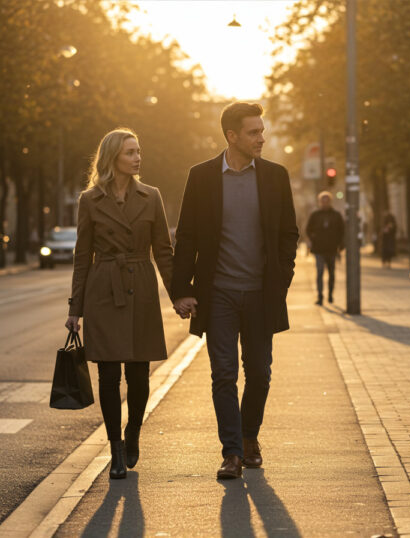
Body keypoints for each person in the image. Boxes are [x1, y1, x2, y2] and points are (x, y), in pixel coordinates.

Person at [171, 102, 299, 480]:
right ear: (232, 136)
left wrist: (282, 280)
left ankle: (249, 436)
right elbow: (188, 237)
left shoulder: (276, 176)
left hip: (261, 294)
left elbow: (289, 233)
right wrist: (181, 290)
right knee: (223, 374)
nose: (262, 137)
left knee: (259, 373)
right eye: (254, 132)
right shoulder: (202, 176)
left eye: (262, 130)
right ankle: (231, 452)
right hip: (220, 295)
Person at [66, 128, 174, 479]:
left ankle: (133, 433)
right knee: (109, 374)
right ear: (114, 157)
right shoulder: (90, 200)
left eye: (139, 151)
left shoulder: (151, 196)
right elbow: (83, 256)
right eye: (130, 152)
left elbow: (163, 251)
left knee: (139, 373)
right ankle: (114, 448)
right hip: (104, 289)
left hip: (140, 286)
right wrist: (74, 310)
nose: (138, 157)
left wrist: (179, 296)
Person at [305, 191, 344, 305]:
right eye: (323, 201)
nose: (325, 203)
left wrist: (340, 245)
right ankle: (320, 296)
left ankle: (330, 295)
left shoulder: (336, 215)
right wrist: (313, 239)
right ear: (320, 202)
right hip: (319, 250)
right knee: (320, 272)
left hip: (332, 249)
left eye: (327, 201)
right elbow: (308, 229)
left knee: (332, 273)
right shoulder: (315, 215)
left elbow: (342, 231)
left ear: (330, 201)